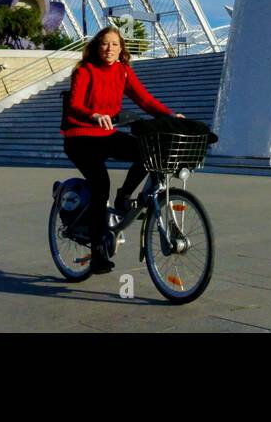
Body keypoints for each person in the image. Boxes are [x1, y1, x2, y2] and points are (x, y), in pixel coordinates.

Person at [62, 26, 183, 274]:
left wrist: (171, 117)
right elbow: (74, 105)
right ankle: (97, 253)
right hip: (80, 137)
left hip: (107, 134)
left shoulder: (123, 71)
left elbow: (145, 100)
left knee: (146, 152)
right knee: (99, 184)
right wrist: (93, 115)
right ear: (97, 46)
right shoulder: (85, 70)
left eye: (115, 45)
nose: (109, 49)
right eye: (105, 44)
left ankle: (124, 195)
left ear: (121, 48)